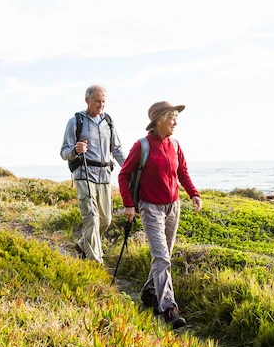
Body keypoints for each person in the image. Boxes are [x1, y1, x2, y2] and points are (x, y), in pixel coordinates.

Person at [118, 101, 202, 329]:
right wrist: (129, 204)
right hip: (150, 208)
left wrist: (193, 193)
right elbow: (123, 175)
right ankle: (168, 308)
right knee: (162, 257)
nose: (176, 122)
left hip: (173, 206)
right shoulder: (142, 146)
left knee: (163, 256)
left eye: (176, 118)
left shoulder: (175, 145)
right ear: (159, 120)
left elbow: (182, 172)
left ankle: (148, 292)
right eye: (172, 118)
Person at [60, 85, 126, 263]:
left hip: (105, 176)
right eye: (97, 101)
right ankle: (96, 262)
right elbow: (64, 152)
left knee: (105, 220)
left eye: (103, 101)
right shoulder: (76, 121)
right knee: (92, 220)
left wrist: (129, 169)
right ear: (87, 100)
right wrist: (75, 149)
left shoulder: (108, 122)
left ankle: (82, 244)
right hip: (84, 175)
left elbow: (117, 149)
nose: (101, 104)